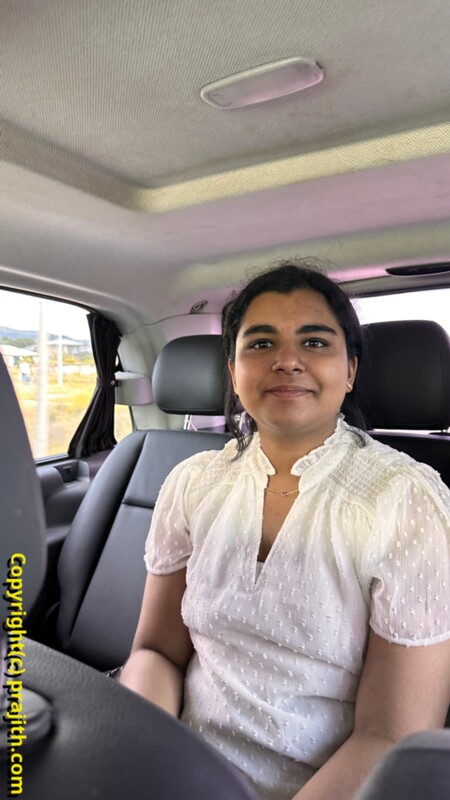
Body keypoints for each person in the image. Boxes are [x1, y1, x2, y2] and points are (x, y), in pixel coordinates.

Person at [119, 261, 450, 800]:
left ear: (350, 370)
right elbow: (156, 652)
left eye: (315, 342)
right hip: (175, 765)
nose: (287, 360)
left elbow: (390, 735)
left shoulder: (403, 500)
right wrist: (138, 757)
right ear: (233, 372)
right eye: (261, 343)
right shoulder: (192, 483)